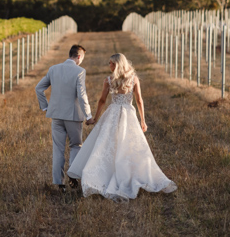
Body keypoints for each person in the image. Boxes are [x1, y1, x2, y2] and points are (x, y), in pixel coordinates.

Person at [67, 53, 176, 201]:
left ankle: (126, 175)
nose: (109, 66)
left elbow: (103, 101)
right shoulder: (132, 79)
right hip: (126, 113)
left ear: (118, 64)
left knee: (124, 145)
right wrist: (142, 120)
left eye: (111, 63)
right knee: (109, 145)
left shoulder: (109, 80)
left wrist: (96, 118)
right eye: (109, 63)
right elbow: (138, 100)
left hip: (115, 113)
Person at [35, 44, 94, 191]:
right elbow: (82, 95)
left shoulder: (53, 69)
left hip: (56, 115)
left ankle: (59, 184)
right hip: (73, 115)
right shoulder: (80, 71)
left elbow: (39, 88)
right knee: (75, 145)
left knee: (58, 149)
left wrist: (45, 106)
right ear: (79, 57)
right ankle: (73, 175)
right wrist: (89, 114)